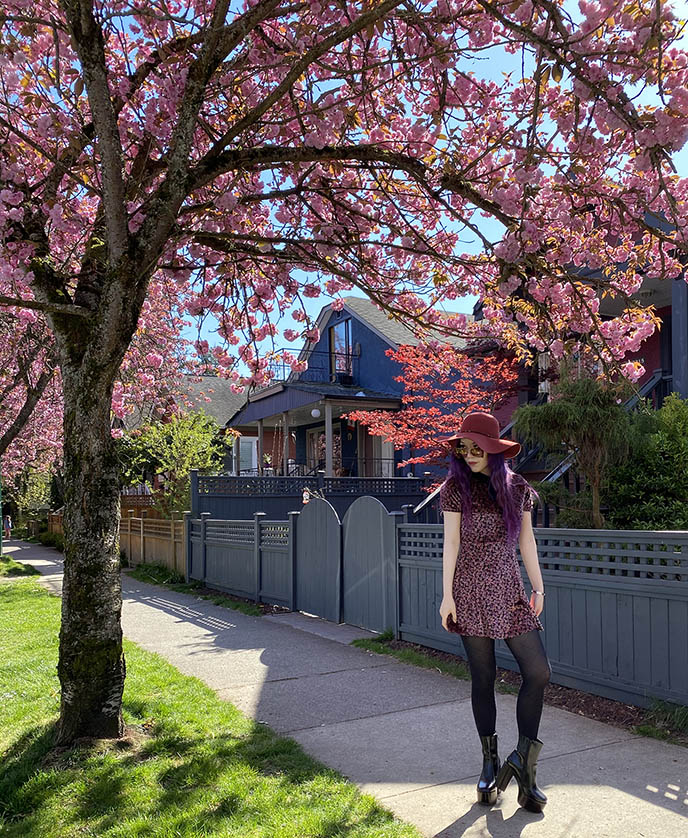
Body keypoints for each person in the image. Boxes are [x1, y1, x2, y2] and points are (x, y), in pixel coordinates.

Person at [438, 411, 552, 814]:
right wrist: (446, 596)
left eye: (475, 448)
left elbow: (527, 542)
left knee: (538, 672)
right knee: (483, 678)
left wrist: (537, 587)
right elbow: (451, 544)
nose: (468, 454)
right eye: (462, 448)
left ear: (493, 449)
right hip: (468, 590)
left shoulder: (517, 488)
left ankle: (524, 765)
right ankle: (489, 765)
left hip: (509, 590)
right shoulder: (455, 488)